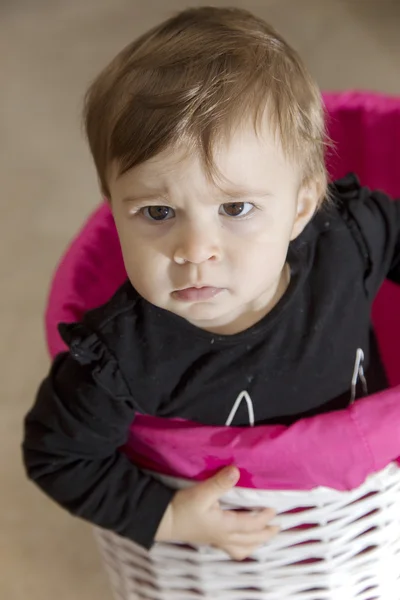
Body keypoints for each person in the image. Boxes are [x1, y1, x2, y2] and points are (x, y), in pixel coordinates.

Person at [22, 6, 399, 562]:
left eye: (236, 207)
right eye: (156, 212)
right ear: (114, 208)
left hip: (369, 511)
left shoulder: (344, 238)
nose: (195, 251)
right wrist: (167, 516)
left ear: (300, 207)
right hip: (249, 548)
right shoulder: (124, 355)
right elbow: (55, 454)